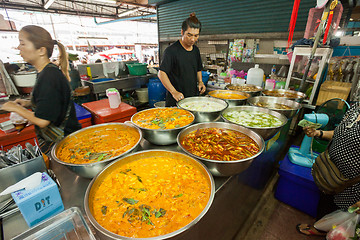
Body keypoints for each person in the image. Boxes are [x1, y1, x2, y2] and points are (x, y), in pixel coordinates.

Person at [1, 25, 81, 153]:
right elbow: (53, 101)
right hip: (60, 141)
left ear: (41, 50)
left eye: (22, 43)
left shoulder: (49, 75)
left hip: (64, 144)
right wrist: (28, 103)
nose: (18, 47)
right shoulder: (46, 72)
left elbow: (43, 120)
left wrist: (15, 108)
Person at [297, 101, 360, 236]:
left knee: (341, 215)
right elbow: (340, 132)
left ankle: (326, 231)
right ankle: (319, 227)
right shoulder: (357, 106)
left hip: (351, 183)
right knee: (325, 199)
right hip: (330, 169)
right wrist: (318, 133)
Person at [158, 12, 206, 107]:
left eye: (196, 36)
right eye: (189, 35)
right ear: (182, 32)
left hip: (192, 99)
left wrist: (200, 82)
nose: (192, 39)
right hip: (176, 100)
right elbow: (161, 73)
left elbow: (198, 69)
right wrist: (174, 92)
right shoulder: (171, 51)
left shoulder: (196, 50)